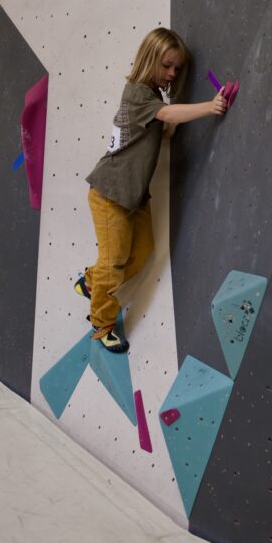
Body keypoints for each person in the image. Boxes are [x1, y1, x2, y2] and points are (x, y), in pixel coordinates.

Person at [76, 27, 227, 353]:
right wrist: (209, 107)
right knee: (114, 261)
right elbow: (167, 113)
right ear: (149, 60)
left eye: (176, 68)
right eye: (166, 66)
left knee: (143, 251)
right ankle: (102, 325)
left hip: (134, 196)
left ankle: (91, 280)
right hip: (110, 193)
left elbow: (154, 127)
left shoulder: (152, 97)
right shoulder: (137, 93)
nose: (172, 74)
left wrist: (165, 131)